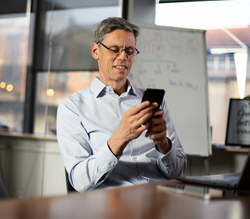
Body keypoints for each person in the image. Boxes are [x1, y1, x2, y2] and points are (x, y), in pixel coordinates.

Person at [57, 17, 186, 192]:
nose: (123, 57)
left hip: (159, 200)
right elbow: (80, 182)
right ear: (96, 51)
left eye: (130, 51)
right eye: (115, 49)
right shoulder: (72, 108)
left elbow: (179, 173)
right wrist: (121, 137)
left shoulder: (152, 102)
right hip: (113, 206)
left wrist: (163, 143)